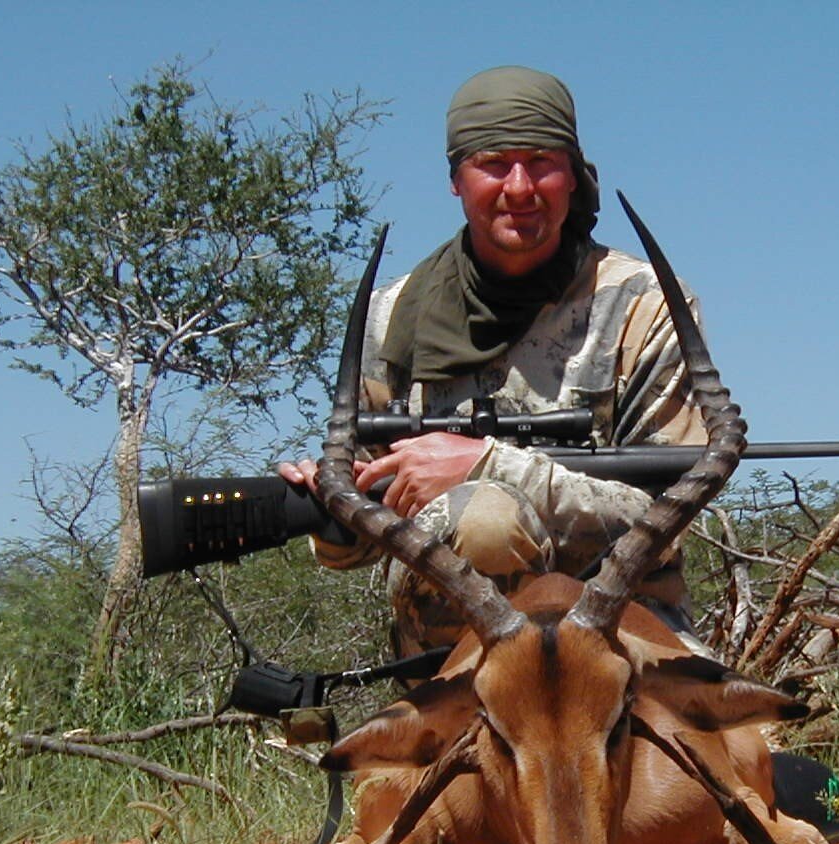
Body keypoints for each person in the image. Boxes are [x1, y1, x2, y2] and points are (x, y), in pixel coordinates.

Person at [279, 65, 709, 659]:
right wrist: (331, 509)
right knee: (484, 521)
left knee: (751, 747)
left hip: (625, 627)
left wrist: (491, 466)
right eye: (492, 163)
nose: (519, 187)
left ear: (573, 174)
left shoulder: (644, 302)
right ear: (456, 178)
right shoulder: (391, 315)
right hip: (453, 645)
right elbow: (355, 546)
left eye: (540, 162)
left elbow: (670, 516)